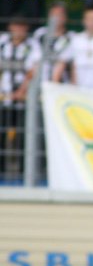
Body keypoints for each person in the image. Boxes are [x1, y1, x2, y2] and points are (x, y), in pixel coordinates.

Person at [0, 16, 41, 183]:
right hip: (4, 97)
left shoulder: (32, 45)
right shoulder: (2, 42)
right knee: (2, 134)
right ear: (10, 26)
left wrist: (21, 91)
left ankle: (25, 174)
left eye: (22, 26)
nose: (19, 30)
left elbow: (33, 71)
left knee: (25, 135)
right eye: (16, 26)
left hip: (24, 99)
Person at [33, 2, 74, 82]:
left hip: (62, 85)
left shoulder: (72, 37)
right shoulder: (40, 34)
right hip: (39, 81)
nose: (55, 18)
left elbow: (64, 62)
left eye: (59, 14)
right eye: (53, 15)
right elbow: (35, 61)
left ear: (65, 17)